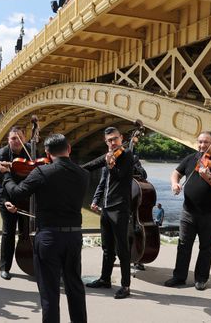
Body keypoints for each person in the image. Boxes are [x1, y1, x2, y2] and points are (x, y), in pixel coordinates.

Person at [0, 133, 88, 323]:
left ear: (47, 152)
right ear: (69, 149)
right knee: (75, 287)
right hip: (74, 237)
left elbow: (16, 193)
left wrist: (6, 174)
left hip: (49, 237)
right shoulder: (84, 174)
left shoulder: (42, 172)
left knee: (49, 291)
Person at [165, 131, 211, 291]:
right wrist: (175, 184)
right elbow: (176, 173)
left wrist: (207, 176)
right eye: (200, 142)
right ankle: (179, 277)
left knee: (206, 248)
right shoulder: (191, 158)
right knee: (183, 245)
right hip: (188, 211)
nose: (202, 146)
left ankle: (201, 279)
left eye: (205, 142)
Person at [84, 127, 133, 299]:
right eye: (109, 140)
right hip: (106, 208)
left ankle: (126, 286)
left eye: (115, 139)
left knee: (122, 249)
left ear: (121, 138)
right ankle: (105, 279)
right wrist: (71, 170)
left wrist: (111, 165)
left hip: (119, 209)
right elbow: (91, 167)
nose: (112, 143)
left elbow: (120, 177)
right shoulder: (109, 156)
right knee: (107, 248)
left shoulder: (127, 156)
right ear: (105, 142)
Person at [0, 127, 31, 280]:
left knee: (27, 231)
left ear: (24, 138)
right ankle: (4, 267)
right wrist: (6, 201)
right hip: (7, 198)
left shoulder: (30, 150)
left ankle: (30, 262)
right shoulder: (2, 154)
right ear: (8, 140)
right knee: (8, 232)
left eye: (19, 137)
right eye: (13, 138)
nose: (16, 141)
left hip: (26, 197)